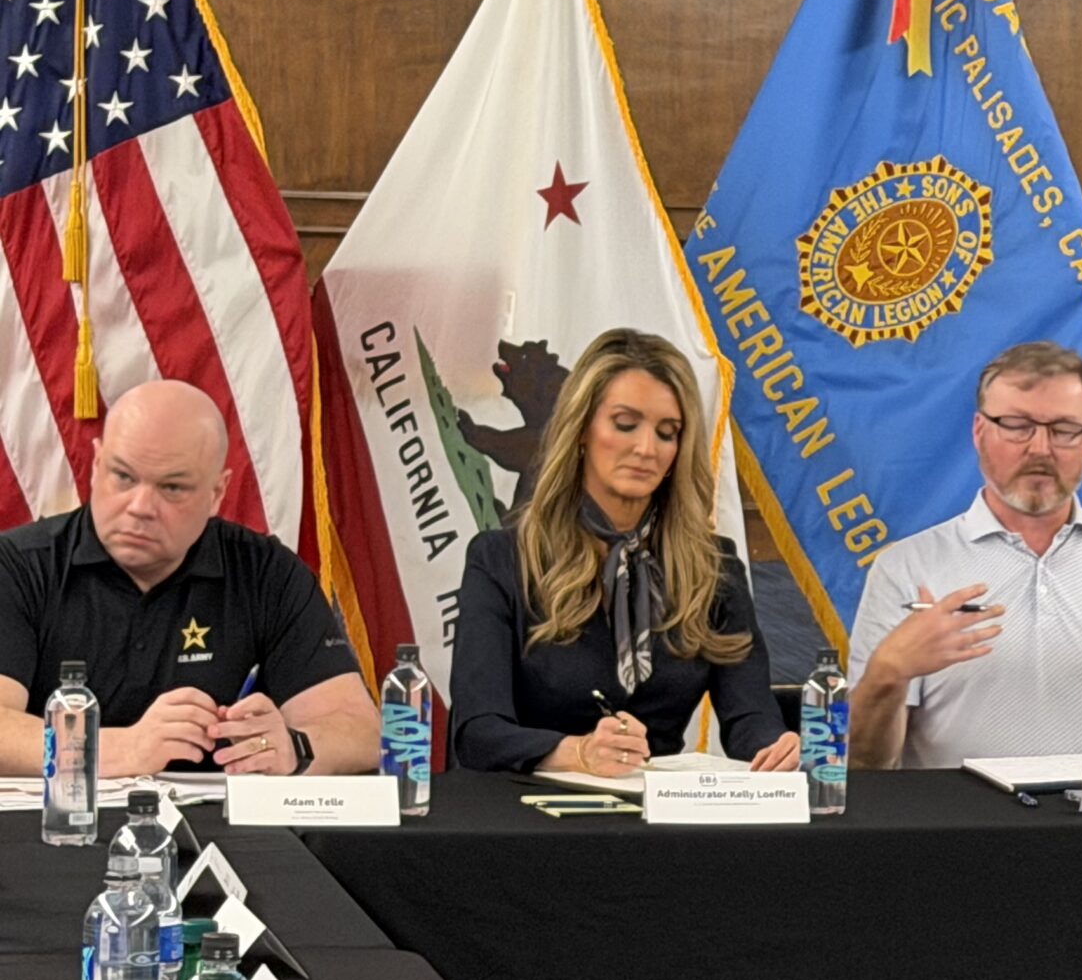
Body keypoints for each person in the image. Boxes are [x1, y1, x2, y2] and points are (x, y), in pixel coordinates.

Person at [843, 341, 1082, 769]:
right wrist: (888, 672)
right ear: (979, 431)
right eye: (1017, 426)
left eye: (1064, 430)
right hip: (959, 814)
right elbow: (865, 764)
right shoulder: (907, 568)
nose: (1040, 448)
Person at [450, 329, 797, 776]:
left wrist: (776, 749)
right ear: (581, 430)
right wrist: (577, 753)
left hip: (658, 809)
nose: (646, 449)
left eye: (667, 433)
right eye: (625, 424)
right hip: (530, 806)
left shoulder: (714, 568)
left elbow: (750, 718)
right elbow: (477, 733)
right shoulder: (501, 560)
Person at [0, 380, 378, 776]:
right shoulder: (20, 567)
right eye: (123, 477)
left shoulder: (266, 574)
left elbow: (362, 731)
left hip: (220, 815)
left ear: (217, 493)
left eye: (172, 487)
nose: (140, 506)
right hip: (58, 814)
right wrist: (123, 748)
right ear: (96, 467)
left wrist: (294, 746)